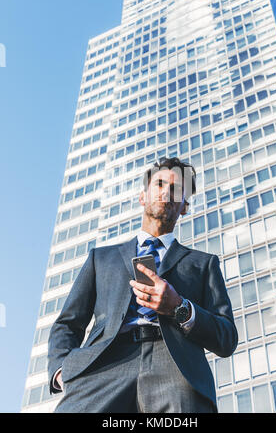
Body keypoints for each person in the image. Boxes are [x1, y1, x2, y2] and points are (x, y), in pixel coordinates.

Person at [48, 157, 238, 413]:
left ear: (184, 207)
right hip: (103, 364)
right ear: (142, 196)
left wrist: (179, 307)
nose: (166, 192)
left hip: (176, 369)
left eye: (176, 189)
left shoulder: (204, 264)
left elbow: (226, 337)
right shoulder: (100, 258)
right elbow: (68, 322)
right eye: (159, 184)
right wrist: (62, 370)